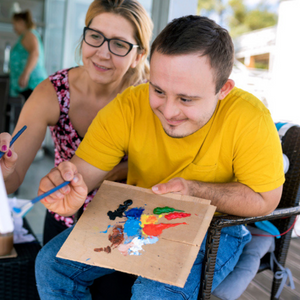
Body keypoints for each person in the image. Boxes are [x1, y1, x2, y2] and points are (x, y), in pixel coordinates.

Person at [36, 15, 284, 299]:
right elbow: (82, 174)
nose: (168, 111)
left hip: (216, 227)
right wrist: (68, 187)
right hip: (140, 216)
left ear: (223, 90)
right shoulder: (129, 105)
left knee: (152, 292)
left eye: (186, 99)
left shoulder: (250, 117)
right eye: (158, 90)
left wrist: (195, 191)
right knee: (50, 265)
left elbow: (266, 199)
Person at [0, 0, 153, 246]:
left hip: (130, 230)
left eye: (119, 44)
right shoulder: (53, 92)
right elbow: (12, 177)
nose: (103, 53)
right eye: (95, 36)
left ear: (138, 56)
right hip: (65, 220)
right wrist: (3, 170)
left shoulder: (153, 99)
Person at [10, 10, 47, 100]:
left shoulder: (29, 34)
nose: (14, 28)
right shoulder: (27, 34)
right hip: (28, 85)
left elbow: (35, 53)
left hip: (31, 84)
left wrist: (25, 74)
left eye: (14, 24)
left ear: (21, 22)